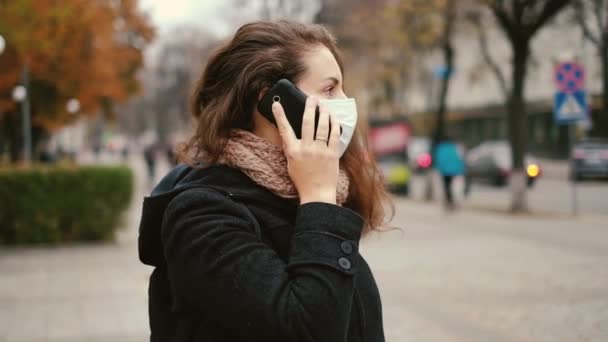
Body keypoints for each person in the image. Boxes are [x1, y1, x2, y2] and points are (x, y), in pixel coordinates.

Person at [138, 21, 393, 342]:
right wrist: (318, 196)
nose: (345, 102)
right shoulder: (201, 216)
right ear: (274, 102)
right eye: (329, 89)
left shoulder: (292, 195)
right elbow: (309, 330)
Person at [433, 135, 466, 210]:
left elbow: (438, 159)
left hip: (445, 170)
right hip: (456, 170)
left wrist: (439, 168)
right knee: (454, 186)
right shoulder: (456, 147)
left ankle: (449, 201)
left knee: (447, 186)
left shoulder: (441, 148)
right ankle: (453, 201)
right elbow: (461, 158)